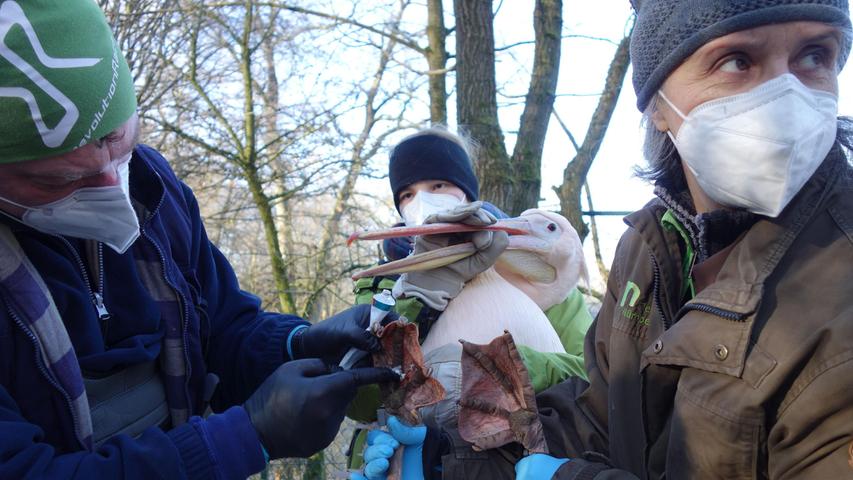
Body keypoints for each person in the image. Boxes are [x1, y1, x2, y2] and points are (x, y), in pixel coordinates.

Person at [358, 0, 853, 478]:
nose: (782, 96)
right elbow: (594, 418)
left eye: (816, 55)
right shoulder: (650, 252)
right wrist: (448, 463)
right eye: (736, 60)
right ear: (658, 102)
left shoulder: (836, 285)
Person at [0, 2, 399, 478]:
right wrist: (244, 437)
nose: (112, 189)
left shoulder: (153, 188)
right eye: (57, 181)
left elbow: (219, 330)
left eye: (116, 139)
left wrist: (297, 344)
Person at [346, 128, 593, 472]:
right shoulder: (383, 285)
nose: (422, 201)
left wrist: (502, 367)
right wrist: (423, 295)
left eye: (438, 186)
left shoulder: (535, 274)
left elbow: (594, 375)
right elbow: (359, 398)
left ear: (466, 191)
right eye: (407, 194)